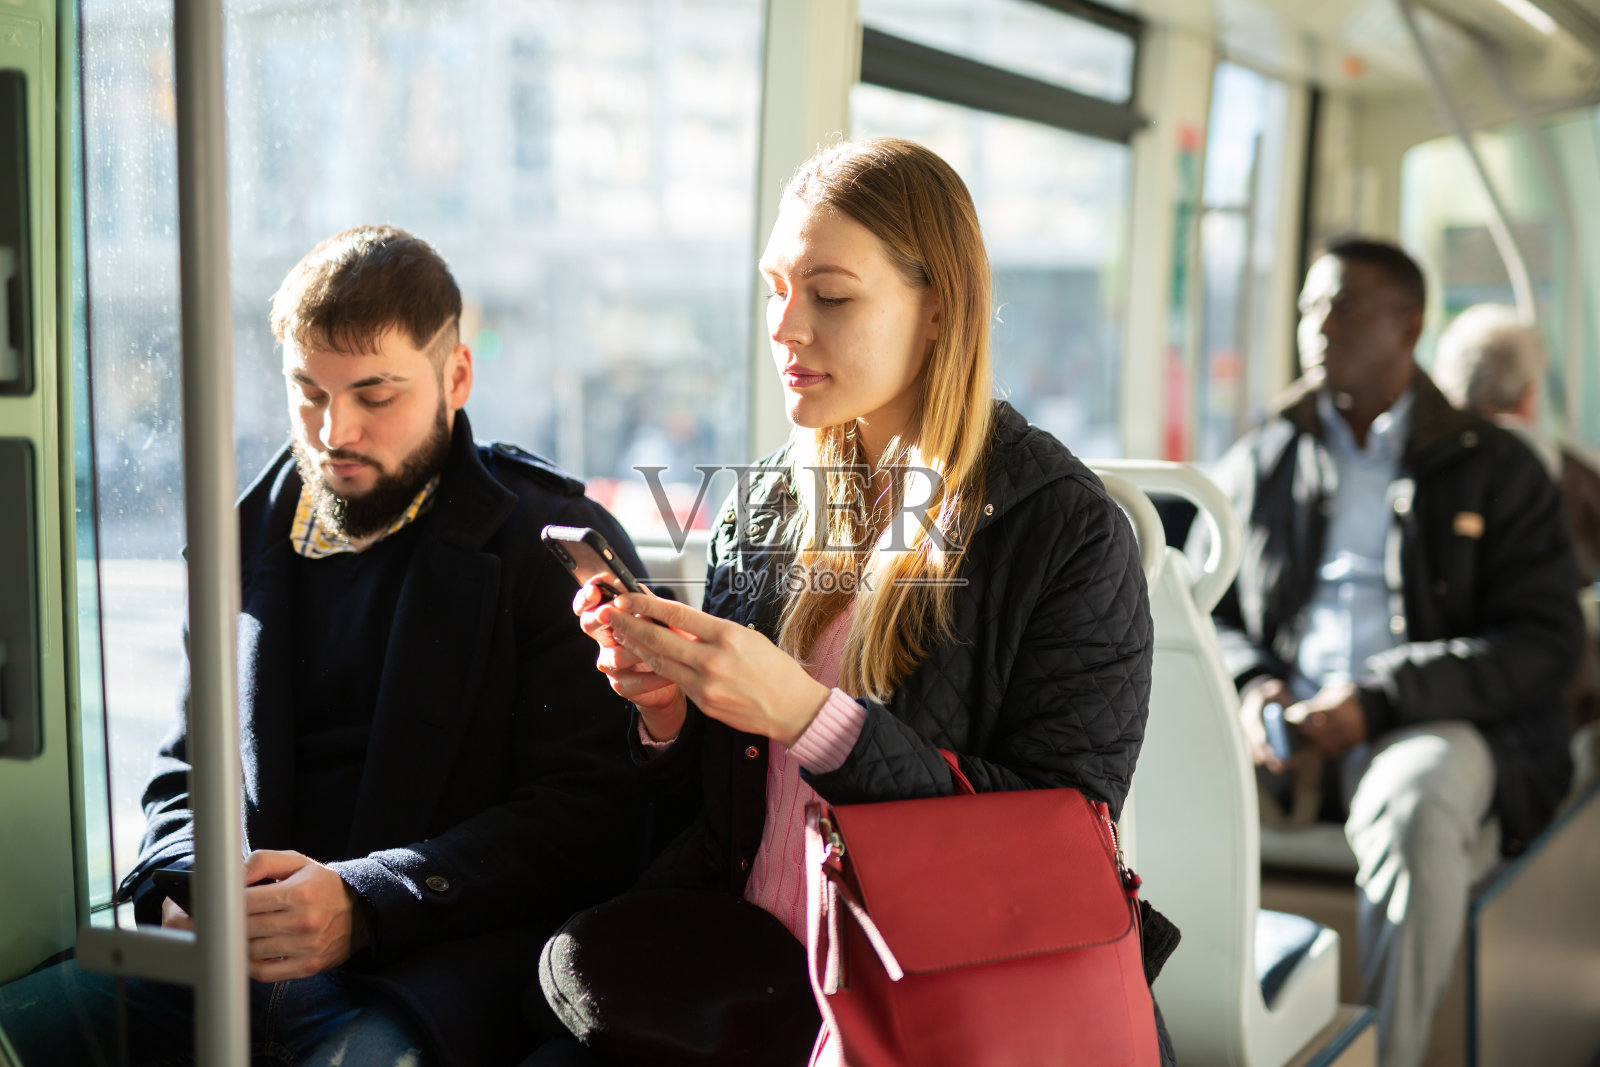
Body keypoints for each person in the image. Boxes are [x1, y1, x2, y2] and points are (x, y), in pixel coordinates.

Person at [531, 138, 1170, 1066]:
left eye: (830, 295)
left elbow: (1056, 839)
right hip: (756, 967)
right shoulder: (768, 503)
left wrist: (807, 715)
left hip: (937, 990)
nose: (785, 327)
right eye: (772, 287)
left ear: (939, 309)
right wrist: (667, 714)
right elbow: (726, 801)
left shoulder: (1067, 535)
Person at [0, 225, 653, 1066]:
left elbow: (593, 812)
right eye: (307, 391)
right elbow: (184, 772)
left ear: (457, 375)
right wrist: (187, 882)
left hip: (430, 970)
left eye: (375, 395)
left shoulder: (545, 541)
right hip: (221, 969)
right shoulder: (239, 535)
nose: (334, 431)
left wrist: (369, 900)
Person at [1204, 239, 1582, 1067]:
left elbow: (1545, 643)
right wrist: (1253, 685)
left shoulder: (1498, 469)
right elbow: (1212, 609)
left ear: (1408, 324)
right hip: (1289, 722)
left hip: (1436, 720)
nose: (1316, 325)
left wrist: (1379, 700)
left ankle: (1388, 1056)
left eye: (1340, 306)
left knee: (1414, 806)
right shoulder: (1264, 456)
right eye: (1307, 306)